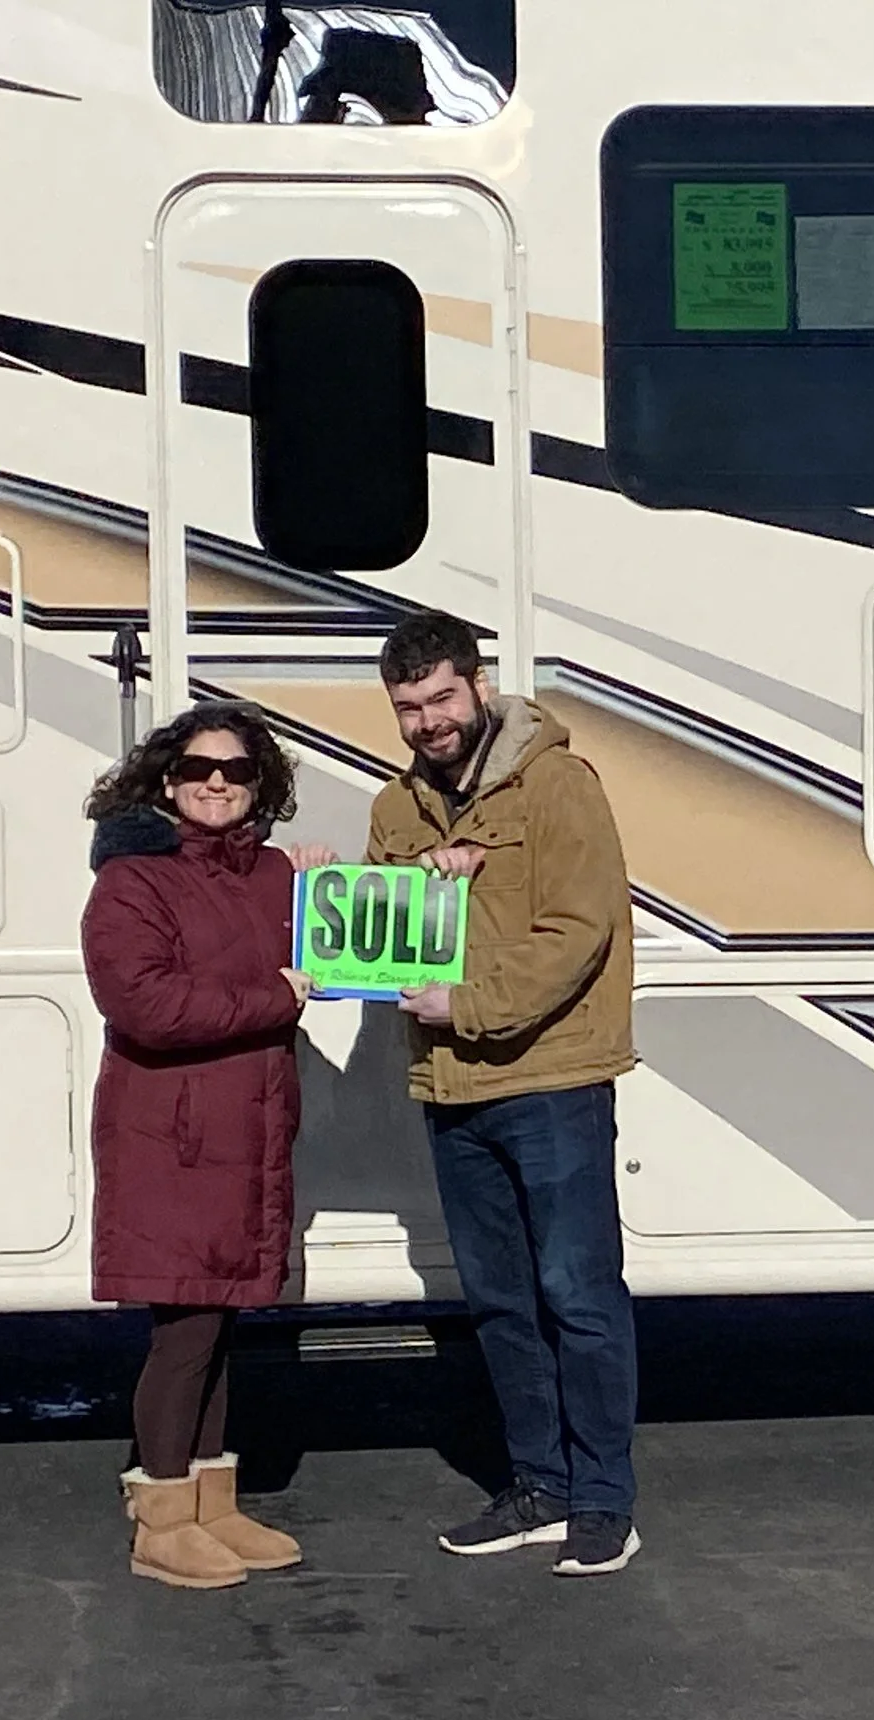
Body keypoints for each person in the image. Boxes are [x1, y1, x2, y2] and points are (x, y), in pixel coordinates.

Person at [366, 616, 642, 1577]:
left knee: (579, 1293)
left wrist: (470, 1001)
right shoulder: (394, 807)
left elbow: (581, 928)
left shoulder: (558, 784)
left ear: (478, 685)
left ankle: (605, 1499)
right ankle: (540, 1486)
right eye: (408, 707)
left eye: (441, 698)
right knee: (499, 1300)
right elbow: (387, 935)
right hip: (451, 1084)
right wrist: (336, 896)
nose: (427, 721)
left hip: (552, 1077)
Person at [81, 702, 339, 1589]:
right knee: (185, 1324)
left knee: (222, 1320)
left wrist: (322, 893)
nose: (217, 782)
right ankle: (160, 1514)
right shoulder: (132, 881)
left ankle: (212, 1502)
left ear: (261, 784)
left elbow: (335, 965)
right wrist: (275, 997)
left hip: (249, 1132)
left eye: (235, 769)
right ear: (166, 779)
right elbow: (145, 1006)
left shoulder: (270, 874)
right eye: (198, 768)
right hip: (173, 1138)